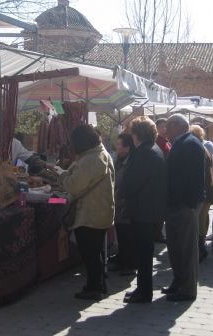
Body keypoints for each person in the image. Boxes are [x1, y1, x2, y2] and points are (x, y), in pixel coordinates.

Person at [57, 124, 115, 301]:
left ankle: (94, 288)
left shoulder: (93, 158)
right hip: (98, 211)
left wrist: (61, 174)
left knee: (90, 253)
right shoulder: (98, 153)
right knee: (94, 252)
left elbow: (75, 185)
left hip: (92, 213)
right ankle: (97, 285)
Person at [122, 116, 166, 303]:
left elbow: (132, 182)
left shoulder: (145, 153)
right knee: (144, 253)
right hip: (149, 209)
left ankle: (144, 291)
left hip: (143, 210)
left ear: (137, 135)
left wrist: (124, 190)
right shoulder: (152, 150)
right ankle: (142, 288)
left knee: (144, 253)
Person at [162, 114, 206, 302]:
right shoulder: (183, 143)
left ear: (178, 126)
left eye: (169, 126)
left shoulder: (190, 144)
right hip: (176, 205)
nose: (166, 131)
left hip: (184, 205)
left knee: (186, 248)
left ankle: (187, 289)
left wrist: (189, 204)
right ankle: (178, 282)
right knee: (176, 247)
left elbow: (195, 178)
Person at [111, 132, 136, 276]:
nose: (117, 148)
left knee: (128, 236)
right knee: (121, 234)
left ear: (127, 148)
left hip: (126, 204)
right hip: (118, 204)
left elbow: (126, 184)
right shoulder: (119, 160)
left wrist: (119, 195)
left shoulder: (130, 162)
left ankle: (130, 264)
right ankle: (122, 260)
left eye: (119, 145)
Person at [190, 124, 213, 262]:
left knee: (199, 220)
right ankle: (202, 246)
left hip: (203, 191)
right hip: (209, 189)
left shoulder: (197, 149)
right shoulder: (204, 149)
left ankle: (199, 249)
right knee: (202, 219)